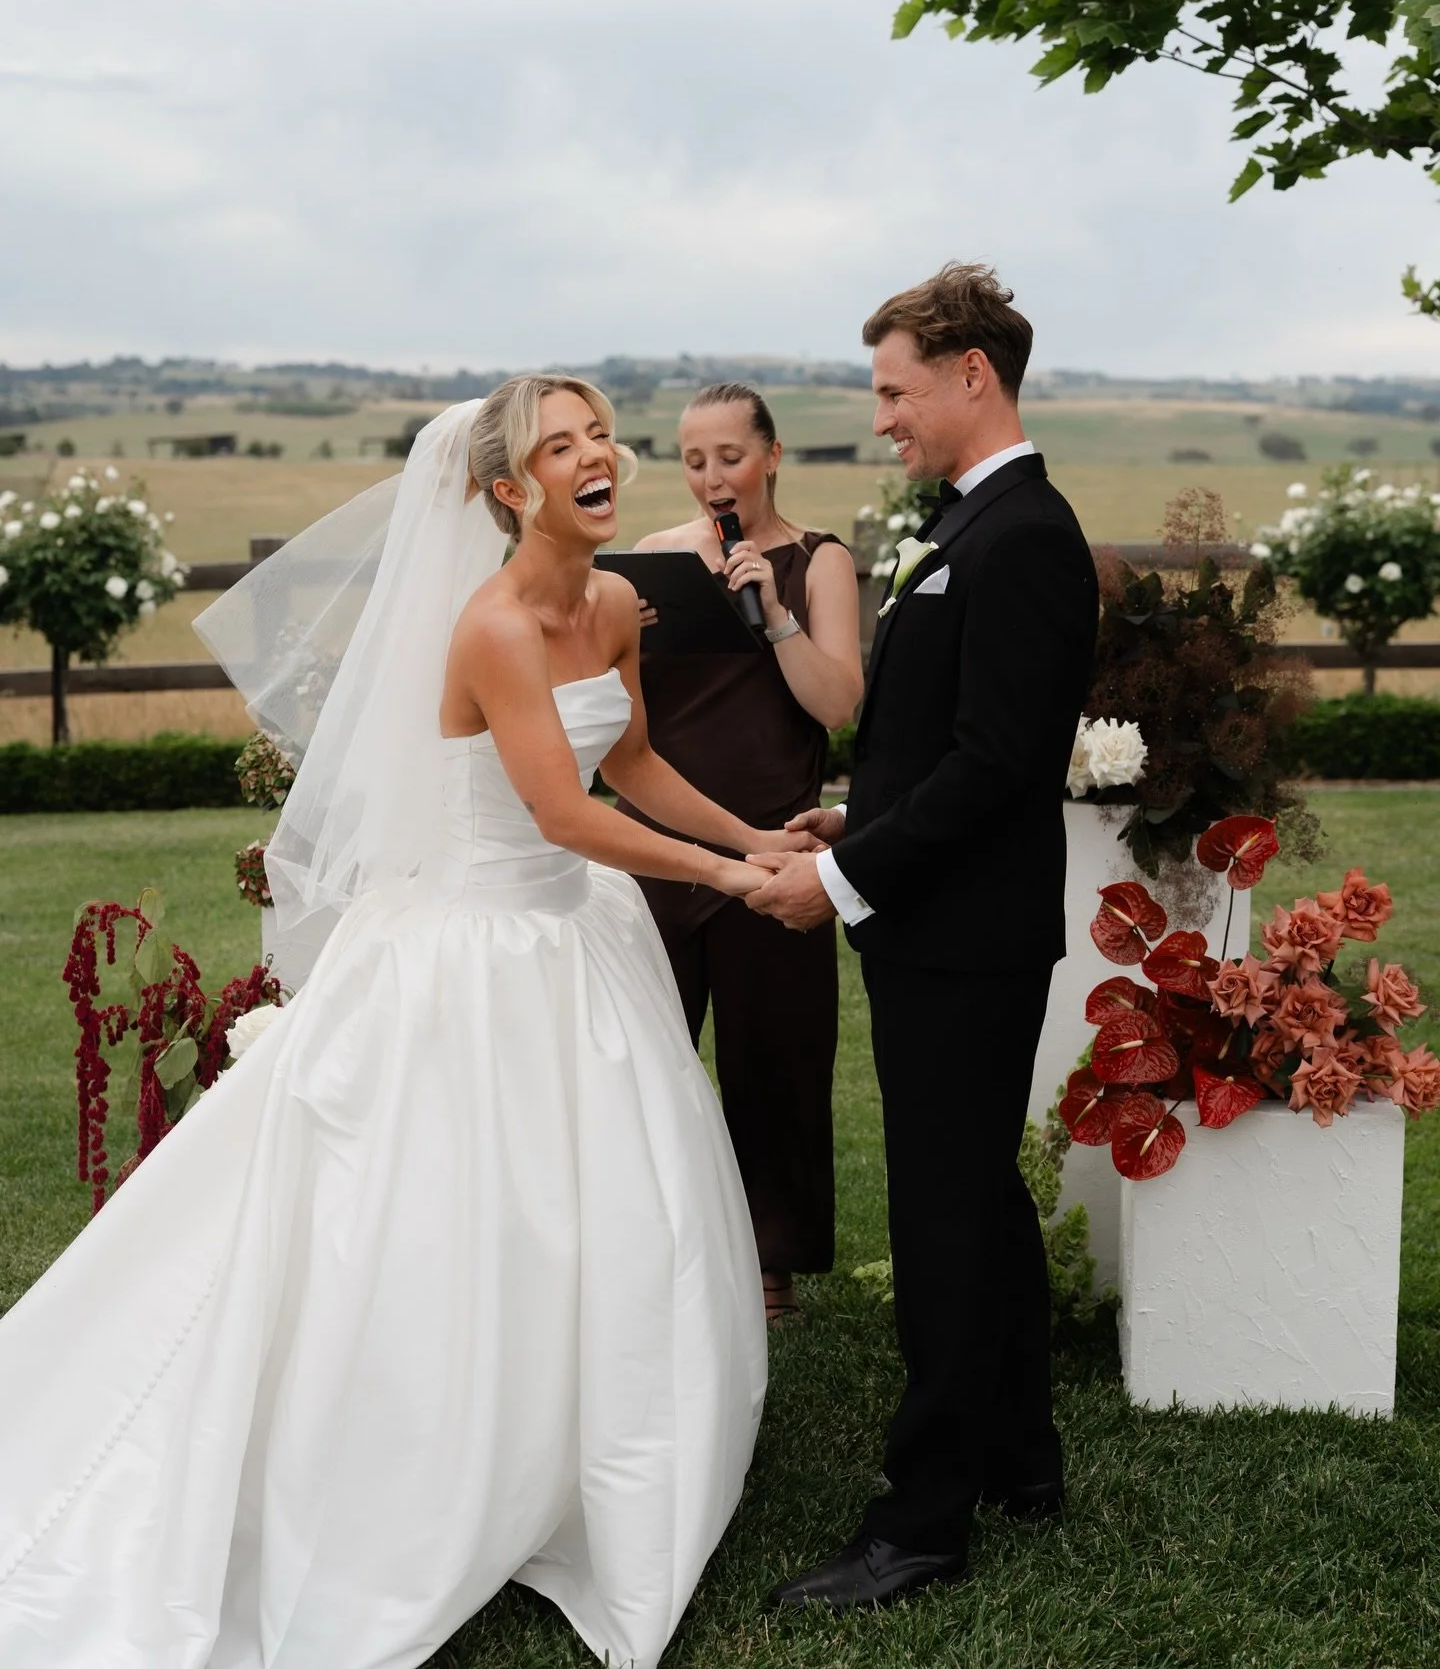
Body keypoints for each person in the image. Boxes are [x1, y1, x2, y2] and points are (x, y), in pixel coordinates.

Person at [0, 378, 807, 1669]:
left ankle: (580, 1450)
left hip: (578, 937)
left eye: (600, 432)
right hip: (473, 947)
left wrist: (754, 832)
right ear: (506, 490)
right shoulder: (489, 625)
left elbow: (635, 765)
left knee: (602, 1206)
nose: (599, 454)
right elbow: (558, 811)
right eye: (563, 443)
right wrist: (727, 883)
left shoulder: (614, 601)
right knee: (447, 1216)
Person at [748, 265, 1100, 1608]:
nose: (883, 415)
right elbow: (949, 743)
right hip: (942, 920)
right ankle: (1021, 1453)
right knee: (982, 1199)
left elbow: (1001, 764)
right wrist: (856, 815)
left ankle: (923, 1518)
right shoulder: (976, 523)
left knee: (942, 1218)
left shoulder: (1025, 535)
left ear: (971, 374)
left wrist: (840, 885)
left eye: (896, 389)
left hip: (964, 937)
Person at [620, 383, 863, 1325]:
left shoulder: (821, 561)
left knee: (775, 1061)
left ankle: (770, 1264)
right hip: (658, 846)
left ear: (771, 456)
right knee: (645, 1058)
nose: (712, 476)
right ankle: (649, 1240)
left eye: (729, 455)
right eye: (693, 460)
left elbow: (835, 706)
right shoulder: (644, 562)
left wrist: (773, 611)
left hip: (776, 848)